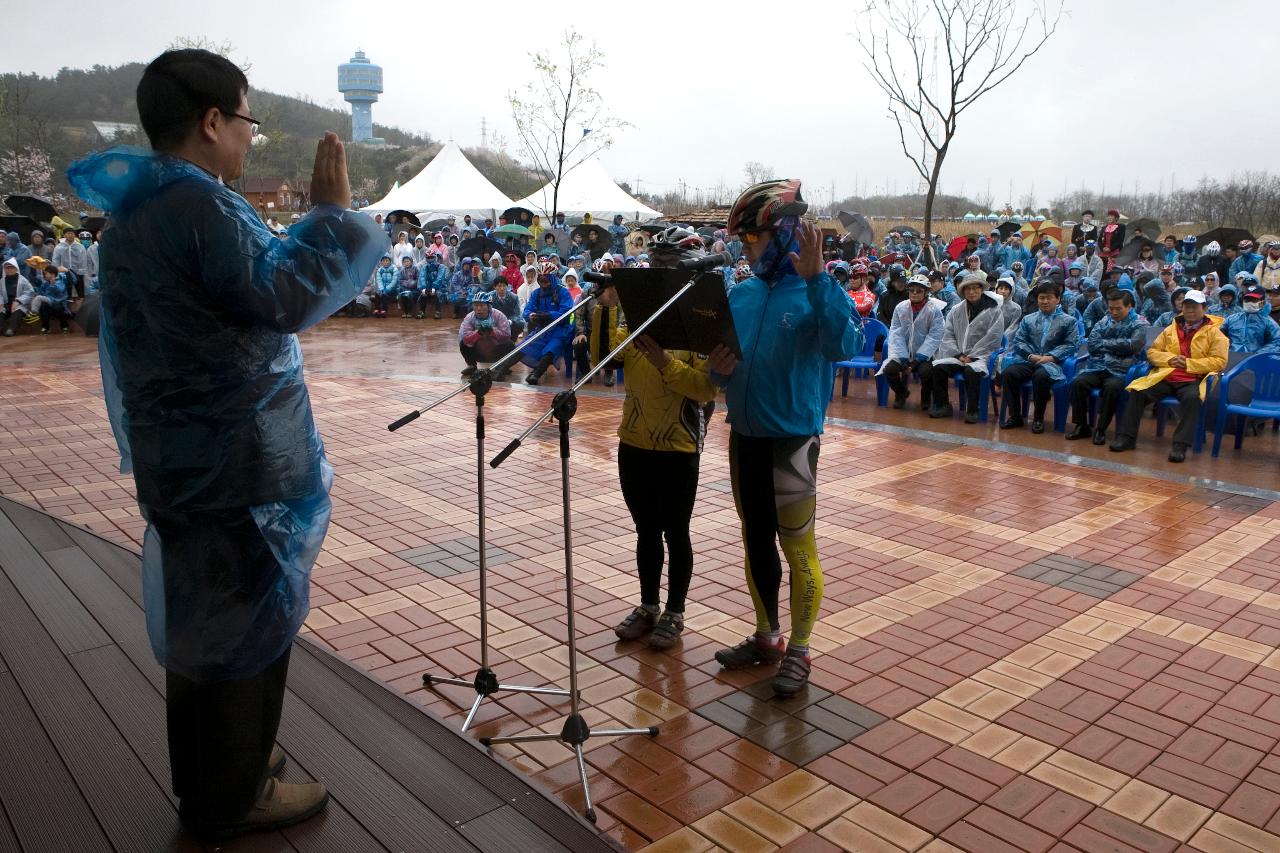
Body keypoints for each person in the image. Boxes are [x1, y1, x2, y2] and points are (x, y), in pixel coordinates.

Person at [65, 48, 385, 839]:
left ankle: (211, 774)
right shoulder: (202, 206)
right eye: (246, 120)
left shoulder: (132, 215)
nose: (248, 137)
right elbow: (285, 293)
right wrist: (333, 214)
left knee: (201, 631)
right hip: (240, 463)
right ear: (211, 121)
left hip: (179, 458)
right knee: (248, 629)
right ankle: (235, 793)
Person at [708, 179, 861, 697]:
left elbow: (844, 345)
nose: (747, 251)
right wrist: (718, 371)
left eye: (753, 241)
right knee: (755, 540)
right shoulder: (742, 293)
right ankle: (767, 636)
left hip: (792, 441)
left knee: (797, 549)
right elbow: (726, 371)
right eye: (743, 243)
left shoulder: (820, 289)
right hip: (743, 435)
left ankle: (800, 650)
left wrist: (819, 281)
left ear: (785, 234)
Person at [599, 236, 719, 650]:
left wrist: (665, 362)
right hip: (633, 439)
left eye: (665, 266)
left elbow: (705, 388)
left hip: (678, 444)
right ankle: (648, 605)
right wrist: (610, 307)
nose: (657, 273)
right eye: (653, 266)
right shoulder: (638, 314)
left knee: (675, 531)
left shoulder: (702, 319)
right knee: (645, 530)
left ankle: (675, 611)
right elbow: (608, 357)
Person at [1110, 289, 1227, 462]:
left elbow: (1219, 362)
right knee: (1138, 392)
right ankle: (1127, 438)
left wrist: (1189, 364)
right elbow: (1152, 352)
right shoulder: (1171, 329)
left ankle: (1180, 445)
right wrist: (1170, 359)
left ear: (1204, 308)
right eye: (1187, 306)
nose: (1190, 310)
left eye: (1195, 307)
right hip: (1166, 376)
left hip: (1192, 379)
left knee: (1192, 399)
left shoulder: (1215, 333)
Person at [1067, 289, 1145, 445]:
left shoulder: (1139, 325)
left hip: (1120, 370)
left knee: (1111, 388)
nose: (1114, 312)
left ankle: (1101, 429)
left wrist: (1106, 344)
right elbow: (1092, 344)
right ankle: (1082, 425)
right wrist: (1118, 345)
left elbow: (1132, 346)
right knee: (1078, 382)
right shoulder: (1103, 321)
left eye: (1118, 309)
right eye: (1111, 308)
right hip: (1098, 366)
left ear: (1129, 306)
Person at [999, 282, 1079, 432]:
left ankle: (1038, 418)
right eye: (1042, 298)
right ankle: (1015, 416)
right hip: (1029, 360)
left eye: (1049, 298)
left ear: (1058, 299)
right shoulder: (1028, 319)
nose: (1045, 301)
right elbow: (1019, 341)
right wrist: (1031, 356)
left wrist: (1051, 357)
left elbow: (1071, 344)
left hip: (1052, 363)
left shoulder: (1069, 321)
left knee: (1041, 376)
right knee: (1009, 374)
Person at [929, 273, 1005, 423]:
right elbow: (948, 334)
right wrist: (959, 355)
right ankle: (943, 405)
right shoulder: (956, 310)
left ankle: (973, 409)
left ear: (981, 289)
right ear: (963, 292)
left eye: (975, 288)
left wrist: (974, 356)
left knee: (972, 371)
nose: (971, 292)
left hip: (982, 357)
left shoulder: (994, 310)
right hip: (959, 356)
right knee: (938, 368)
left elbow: (993, 338)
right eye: (968, 289)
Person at [880, 274, 943, 410]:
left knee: (926, 372)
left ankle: (925, 396)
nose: (914, 293)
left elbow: (935, 336)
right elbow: (896, 333)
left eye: (919, 291)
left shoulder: (934, 310)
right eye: (911, 290)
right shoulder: (901, 308)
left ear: (926, 292)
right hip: (903, 352)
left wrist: (919, 359)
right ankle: (901, 393)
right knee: (890, 369)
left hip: (926, 355)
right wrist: (903, 358)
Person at [521, 259, 575, 385]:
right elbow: (528, 309)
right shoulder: (536, 293)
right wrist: (530, 316)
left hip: (560, 330)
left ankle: (536, 374)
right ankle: (500, 368)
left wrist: (550, 315)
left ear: (552, 278)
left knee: (552, 348)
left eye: (546, 279)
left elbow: (566, 313)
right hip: (541, 329)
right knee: (524, 346)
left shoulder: (562, 292)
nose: (543, 282)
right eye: (541, 279)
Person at [458, 292, 514, 377]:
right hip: (478, 351)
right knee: (463, 343)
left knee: (510, 344)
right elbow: (465, 337)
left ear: (489, 306)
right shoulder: (469, 317)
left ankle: (503, 366)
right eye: (476, 305)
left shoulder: (499, 315)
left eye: (482, 305)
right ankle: (471, 365)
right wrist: (478, 333)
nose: (478, 309)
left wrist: (492, 331)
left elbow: (506, 335)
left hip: (495, 350)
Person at [1221, 284, 1280, 354]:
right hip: (1232, 358)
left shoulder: (1268, 322)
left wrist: (1258, 354)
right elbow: (1219, 336)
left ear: (1263, 302)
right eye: (1247, 300)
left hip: (1256, 360)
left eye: (1254, 300)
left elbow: (1276, 341)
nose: (1249, 302)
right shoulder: (1231, 319)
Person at [1, 257, 34, 336]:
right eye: (7, 268)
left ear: (16, 268)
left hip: (19, 304)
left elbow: (30, 292)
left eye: (11, 267)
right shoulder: (1, 281)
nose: (9, 269)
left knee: (18, 311)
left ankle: (11, 329)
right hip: (6, 304)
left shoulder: (23, 280)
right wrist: (0, 302)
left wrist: (18, 301)